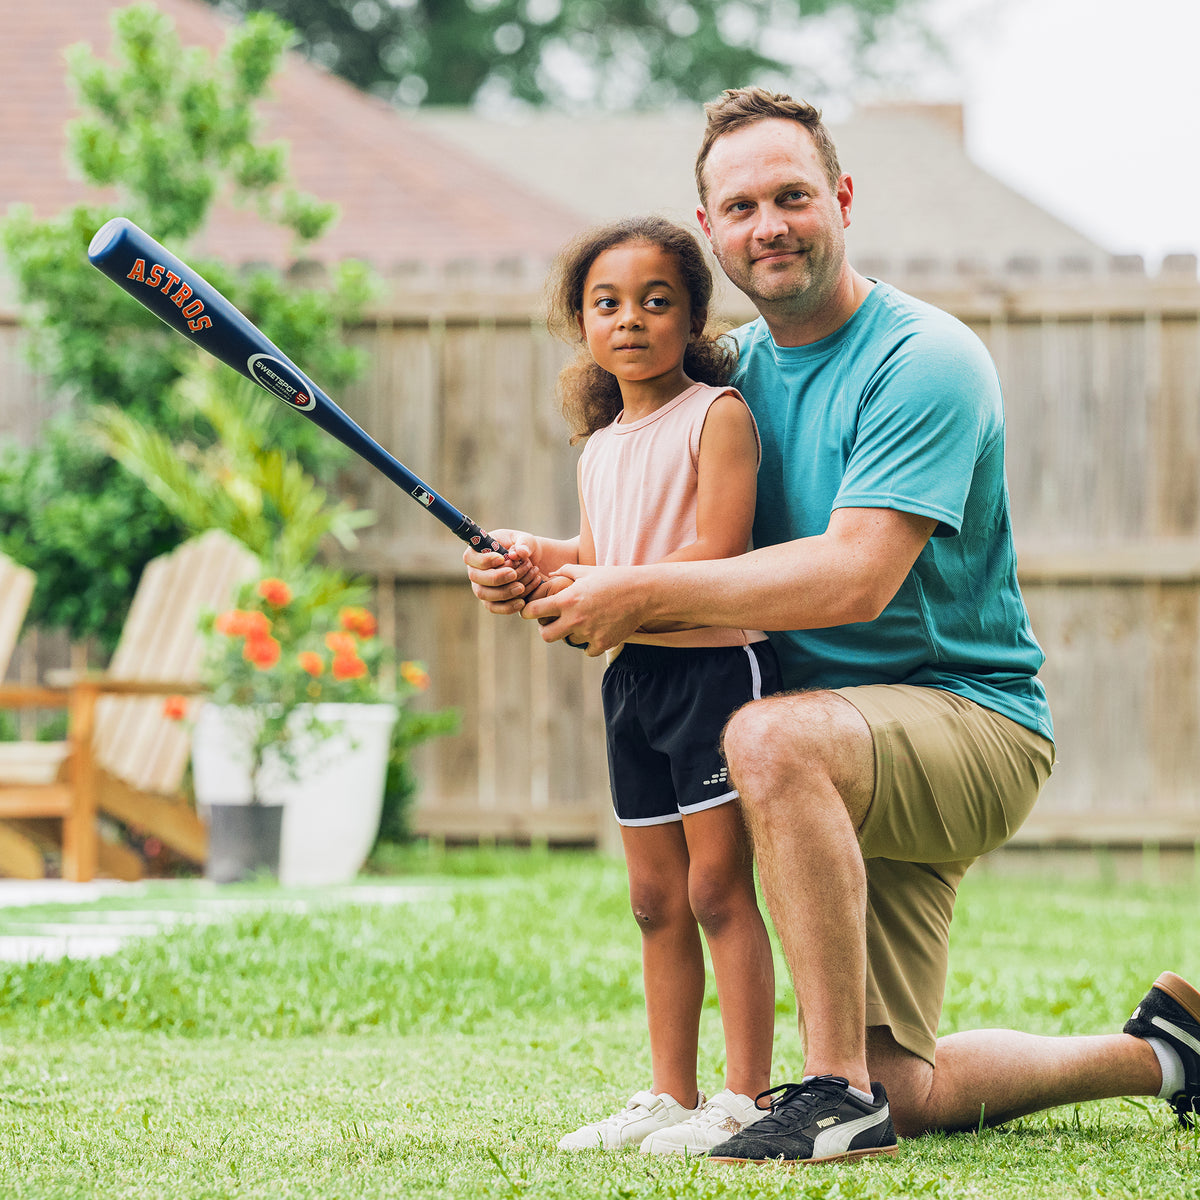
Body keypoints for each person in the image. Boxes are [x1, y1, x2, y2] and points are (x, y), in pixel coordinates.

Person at [467, 88, 1200, 1164]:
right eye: (742, 205)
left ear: (842, 199)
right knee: (913, 1083)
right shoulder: (732, 379)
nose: (770, 224)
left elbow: (855, 578)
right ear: (712, 231)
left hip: (964, 722)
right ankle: (1165, 1054)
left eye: (793, 195)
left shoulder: (924, 359)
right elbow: (675, 539)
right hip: (828, 760)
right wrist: (556, 560)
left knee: (764, 735)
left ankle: (829, 1100)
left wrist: (630, 600)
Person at [505, 215, 783, 1155]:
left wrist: (603, 592)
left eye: (656, 301)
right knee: (654, 898)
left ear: (695, 316)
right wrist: (536, 557)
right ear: (581, 324)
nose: (631, 320)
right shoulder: (598, 447)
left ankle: (743, 1098)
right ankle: (672, 1094)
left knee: (717, 890)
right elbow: (601, 556)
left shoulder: (718, 415)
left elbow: (717, 554)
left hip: (714, 670)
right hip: (636, 681)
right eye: (607, 304)